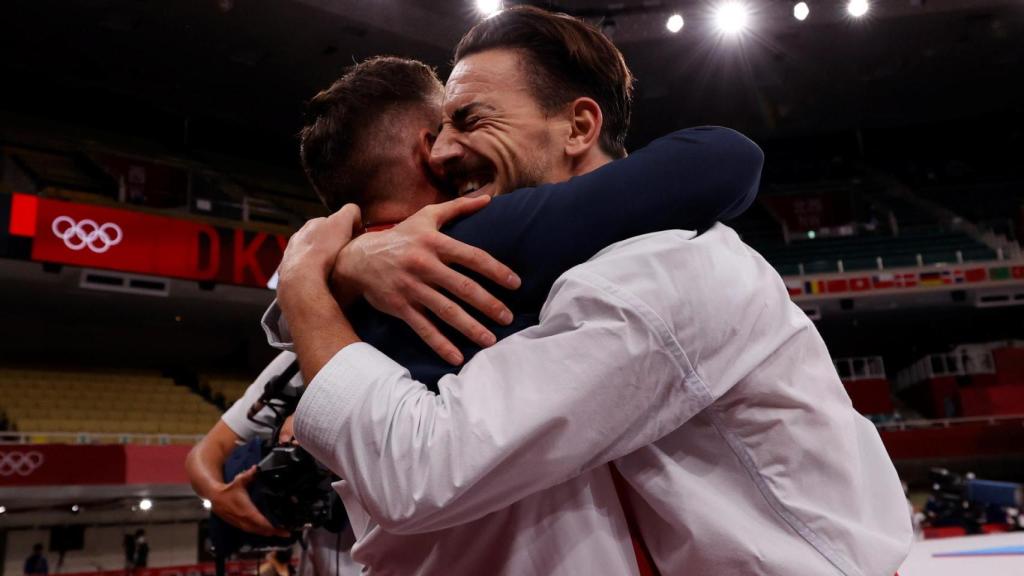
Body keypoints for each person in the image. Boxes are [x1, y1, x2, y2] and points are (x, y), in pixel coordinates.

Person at [277, 6, 913, 575]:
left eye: (469, 120)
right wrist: (351, 261)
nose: (442, 153)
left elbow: (417, 472)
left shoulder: (655, 273)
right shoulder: (563, 262)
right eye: (439, 129)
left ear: (579, 127)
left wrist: (310, 276)